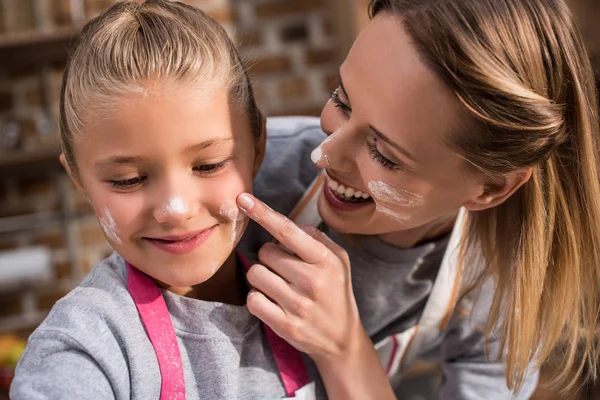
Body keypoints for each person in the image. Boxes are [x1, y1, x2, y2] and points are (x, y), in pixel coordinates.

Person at [235, 0, 600, 399]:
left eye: (384, 154)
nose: (325, 155)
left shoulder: (499, 287)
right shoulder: (244, 177)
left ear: (490, 188)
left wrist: (345, 350)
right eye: (341, 100)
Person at [10, 1, 325, 399]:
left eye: (208, 165)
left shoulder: (312, 302)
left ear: (258, 147)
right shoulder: (85, 349)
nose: (175, 209)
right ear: (79, 179)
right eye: (129, 179)